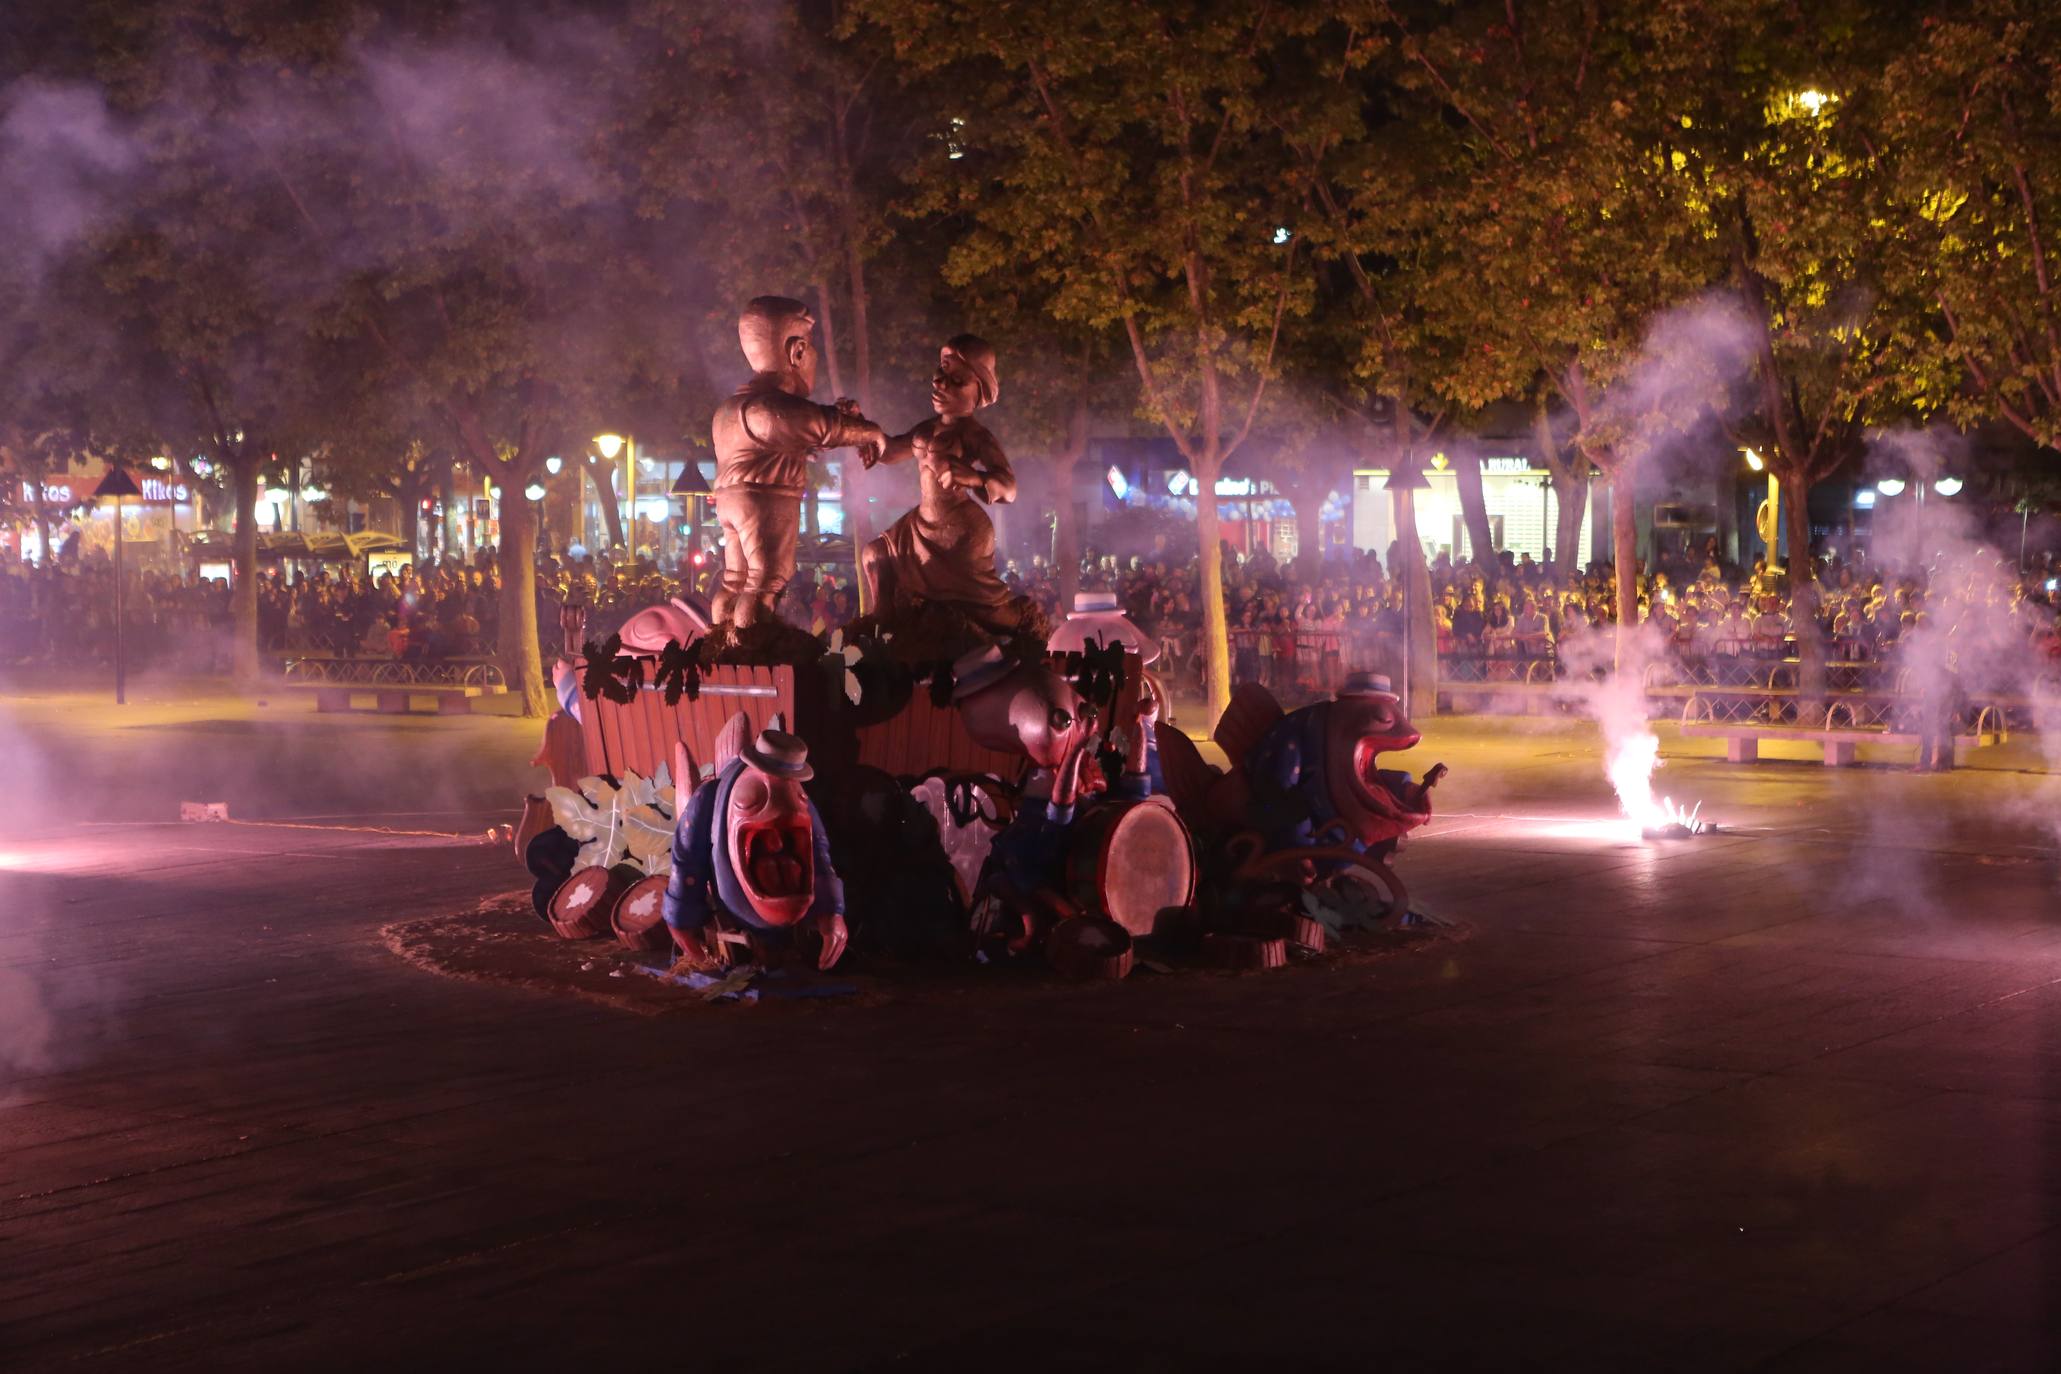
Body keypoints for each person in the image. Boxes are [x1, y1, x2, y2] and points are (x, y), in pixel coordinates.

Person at [709, 296, 886, 631]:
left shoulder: (728, 409)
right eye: (811, 347)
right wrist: (869, 433)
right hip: (764, 502)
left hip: (730, 501)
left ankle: (721, 635)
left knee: (734, 579)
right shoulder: (767, 407)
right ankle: (752, 644)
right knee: (766, 579)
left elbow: (796, 437)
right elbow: (820, 424)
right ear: (798, 351)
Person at [859, 334, 1026, 634]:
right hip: (919, 524)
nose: (941, 383)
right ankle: (881, 625)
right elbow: (892, 449)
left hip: (961, 533)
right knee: (875, 554)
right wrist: (862, 430)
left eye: (958, 379)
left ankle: (1018, 626)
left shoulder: (976, 435)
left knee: (977, 608)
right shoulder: (925, 428)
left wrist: (974, 478)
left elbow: (1009, 489)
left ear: (979, 390)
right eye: (942, 371)